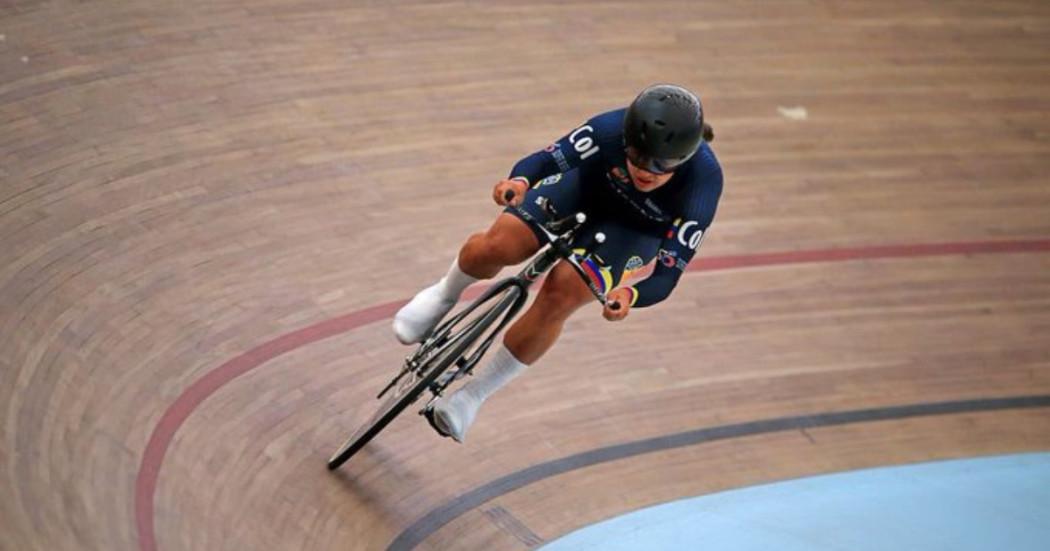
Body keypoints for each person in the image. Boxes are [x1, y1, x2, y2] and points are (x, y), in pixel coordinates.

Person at [393, 83, 723, 442]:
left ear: (688, 156)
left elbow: (667, 275)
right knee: (500, 244)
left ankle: (472, 396)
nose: (647, 170)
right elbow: (544, 160)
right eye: (638, 156)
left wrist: (631, 296)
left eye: (663, 164)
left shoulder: (703, 183)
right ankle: (444, 294)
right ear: (626, 137)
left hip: (633, 231)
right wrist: (519, 182)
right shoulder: (608, 128)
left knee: (564, 291)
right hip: (582, 189)